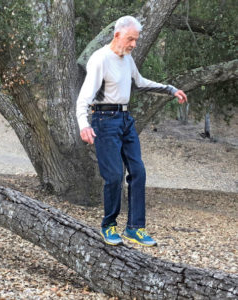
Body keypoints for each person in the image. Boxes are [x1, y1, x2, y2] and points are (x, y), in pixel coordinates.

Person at [76, 16, 187, 246]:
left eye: (136, 40)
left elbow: (140, 82)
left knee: (138, 171)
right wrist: (83, 124)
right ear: (117, 35)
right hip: (104, 121)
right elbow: (84, 97)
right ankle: (109, 226)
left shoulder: (127, 59)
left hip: (125, 120)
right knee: (114, 176)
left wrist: (170, 89)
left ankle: (135, 228)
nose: (134, 44)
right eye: (131, 39)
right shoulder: (100, 59)